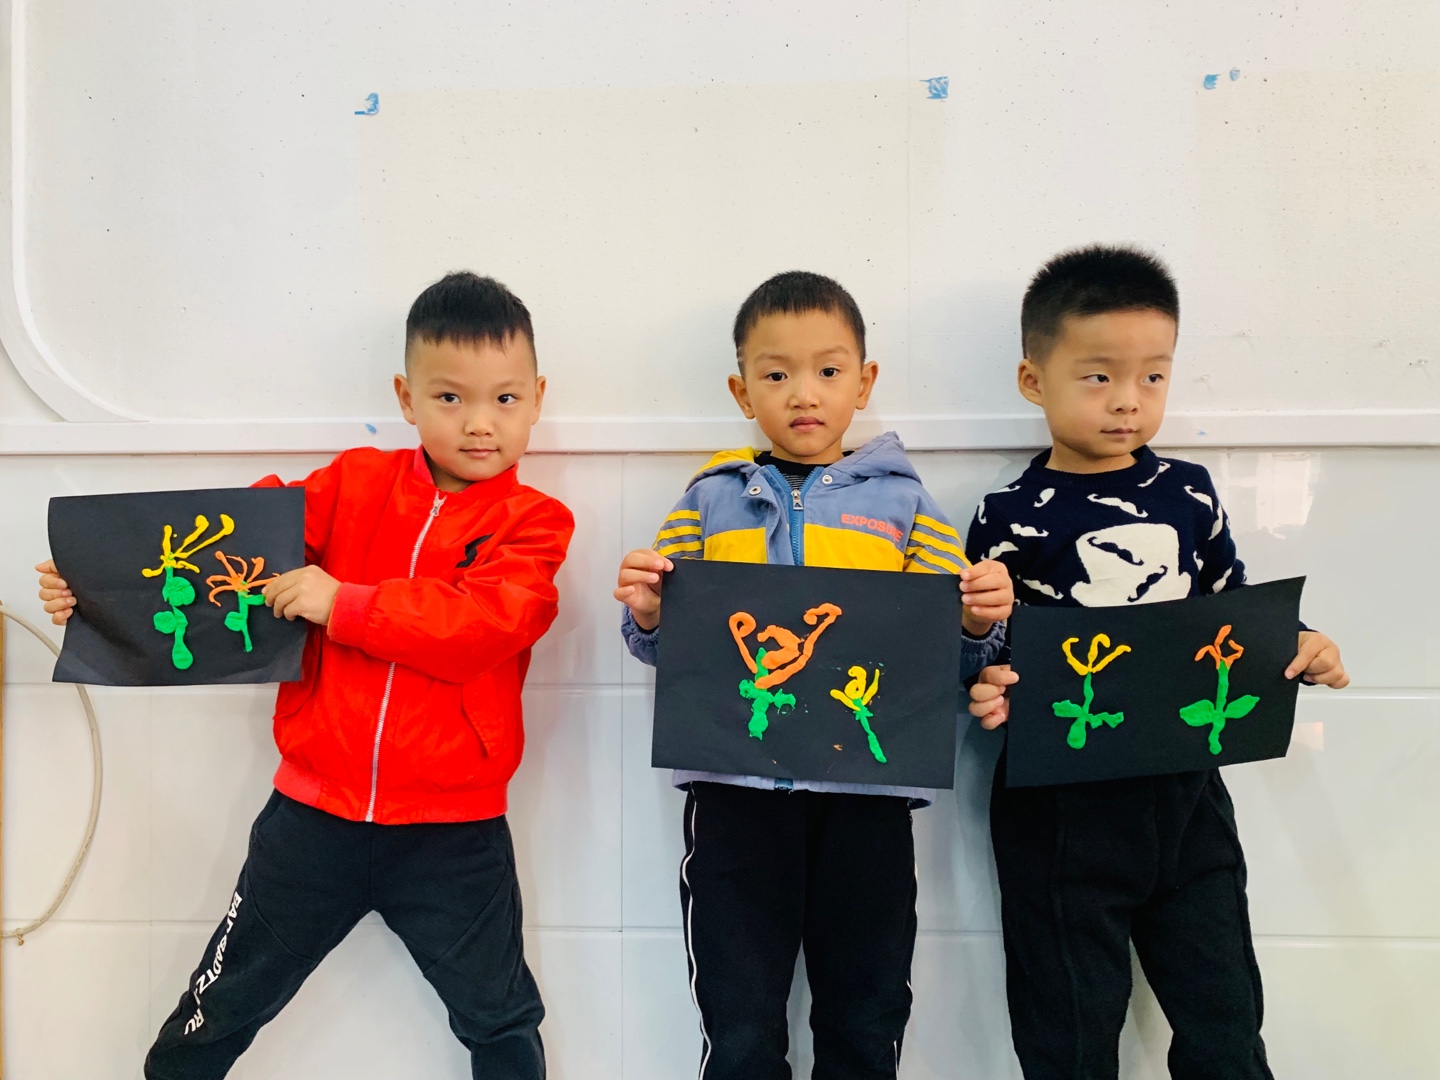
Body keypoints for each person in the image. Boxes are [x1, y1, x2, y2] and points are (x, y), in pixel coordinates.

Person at [37, 272, 573, 1080]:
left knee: (500, 1022)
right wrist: (98, 585)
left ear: (536, 399)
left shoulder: (535, 523)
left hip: (454, 833)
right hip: (313, 819)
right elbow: (226, 541)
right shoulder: (351, 484)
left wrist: (342, 602)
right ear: (406, 397)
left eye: (504, 399)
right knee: (215, 1013)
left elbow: (482, 626)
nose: (478, 422)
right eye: (450, 397)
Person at [615, 270, 1015, 1080]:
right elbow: (657, 645)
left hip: (866, 801)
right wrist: (650, 610)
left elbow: (955, 658)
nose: (804, 393)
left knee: (866, 1012)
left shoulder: (908, 509)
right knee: (738, 1021)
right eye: (776, 374)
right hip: (734, 796)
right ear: (742, 390)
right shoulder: (707, 502)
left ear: (863, 383)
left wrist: (979, 619)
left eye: (829, 370)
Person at [964, 245, 1349, 1080]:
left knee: (1224, 1015)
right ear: (1034, 380)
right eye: (1098, 377)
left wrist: (1299, 641)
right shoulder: (1006, 514)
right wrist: (984, 677)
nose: (1127, 401)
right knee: (1067, 1028)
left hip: (1186, 792)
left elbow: (1231, 605)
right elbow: (986, 643)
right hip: (1057, 803)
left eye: (1153, 376)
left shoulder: (1190, 493)